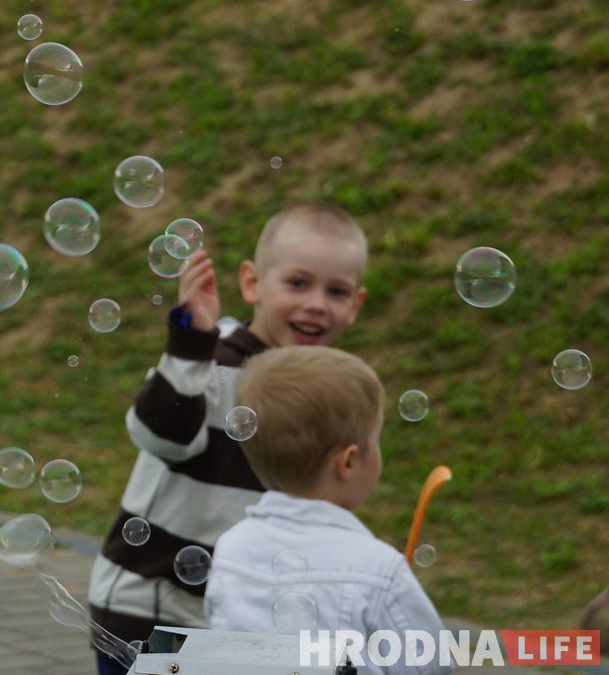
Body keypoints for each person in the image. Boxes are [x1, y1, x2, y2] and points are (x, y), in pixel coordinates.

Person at [87, 201, 369, 675]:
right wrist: (189, 343)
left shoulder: (327, 393)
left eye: (336, 291)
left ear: (355, 305)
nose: (317, 303)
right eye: (298, 283)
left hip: (238, 625)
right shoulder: (210, 362)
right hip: (154, 614)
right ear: (252, 283)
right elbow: (159, 433)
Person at [204, 345, 450, 675]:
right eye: (375, 439)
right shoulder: (379, 570)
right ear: (348, 462)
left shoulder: (231, 548)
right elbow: (430, 666)